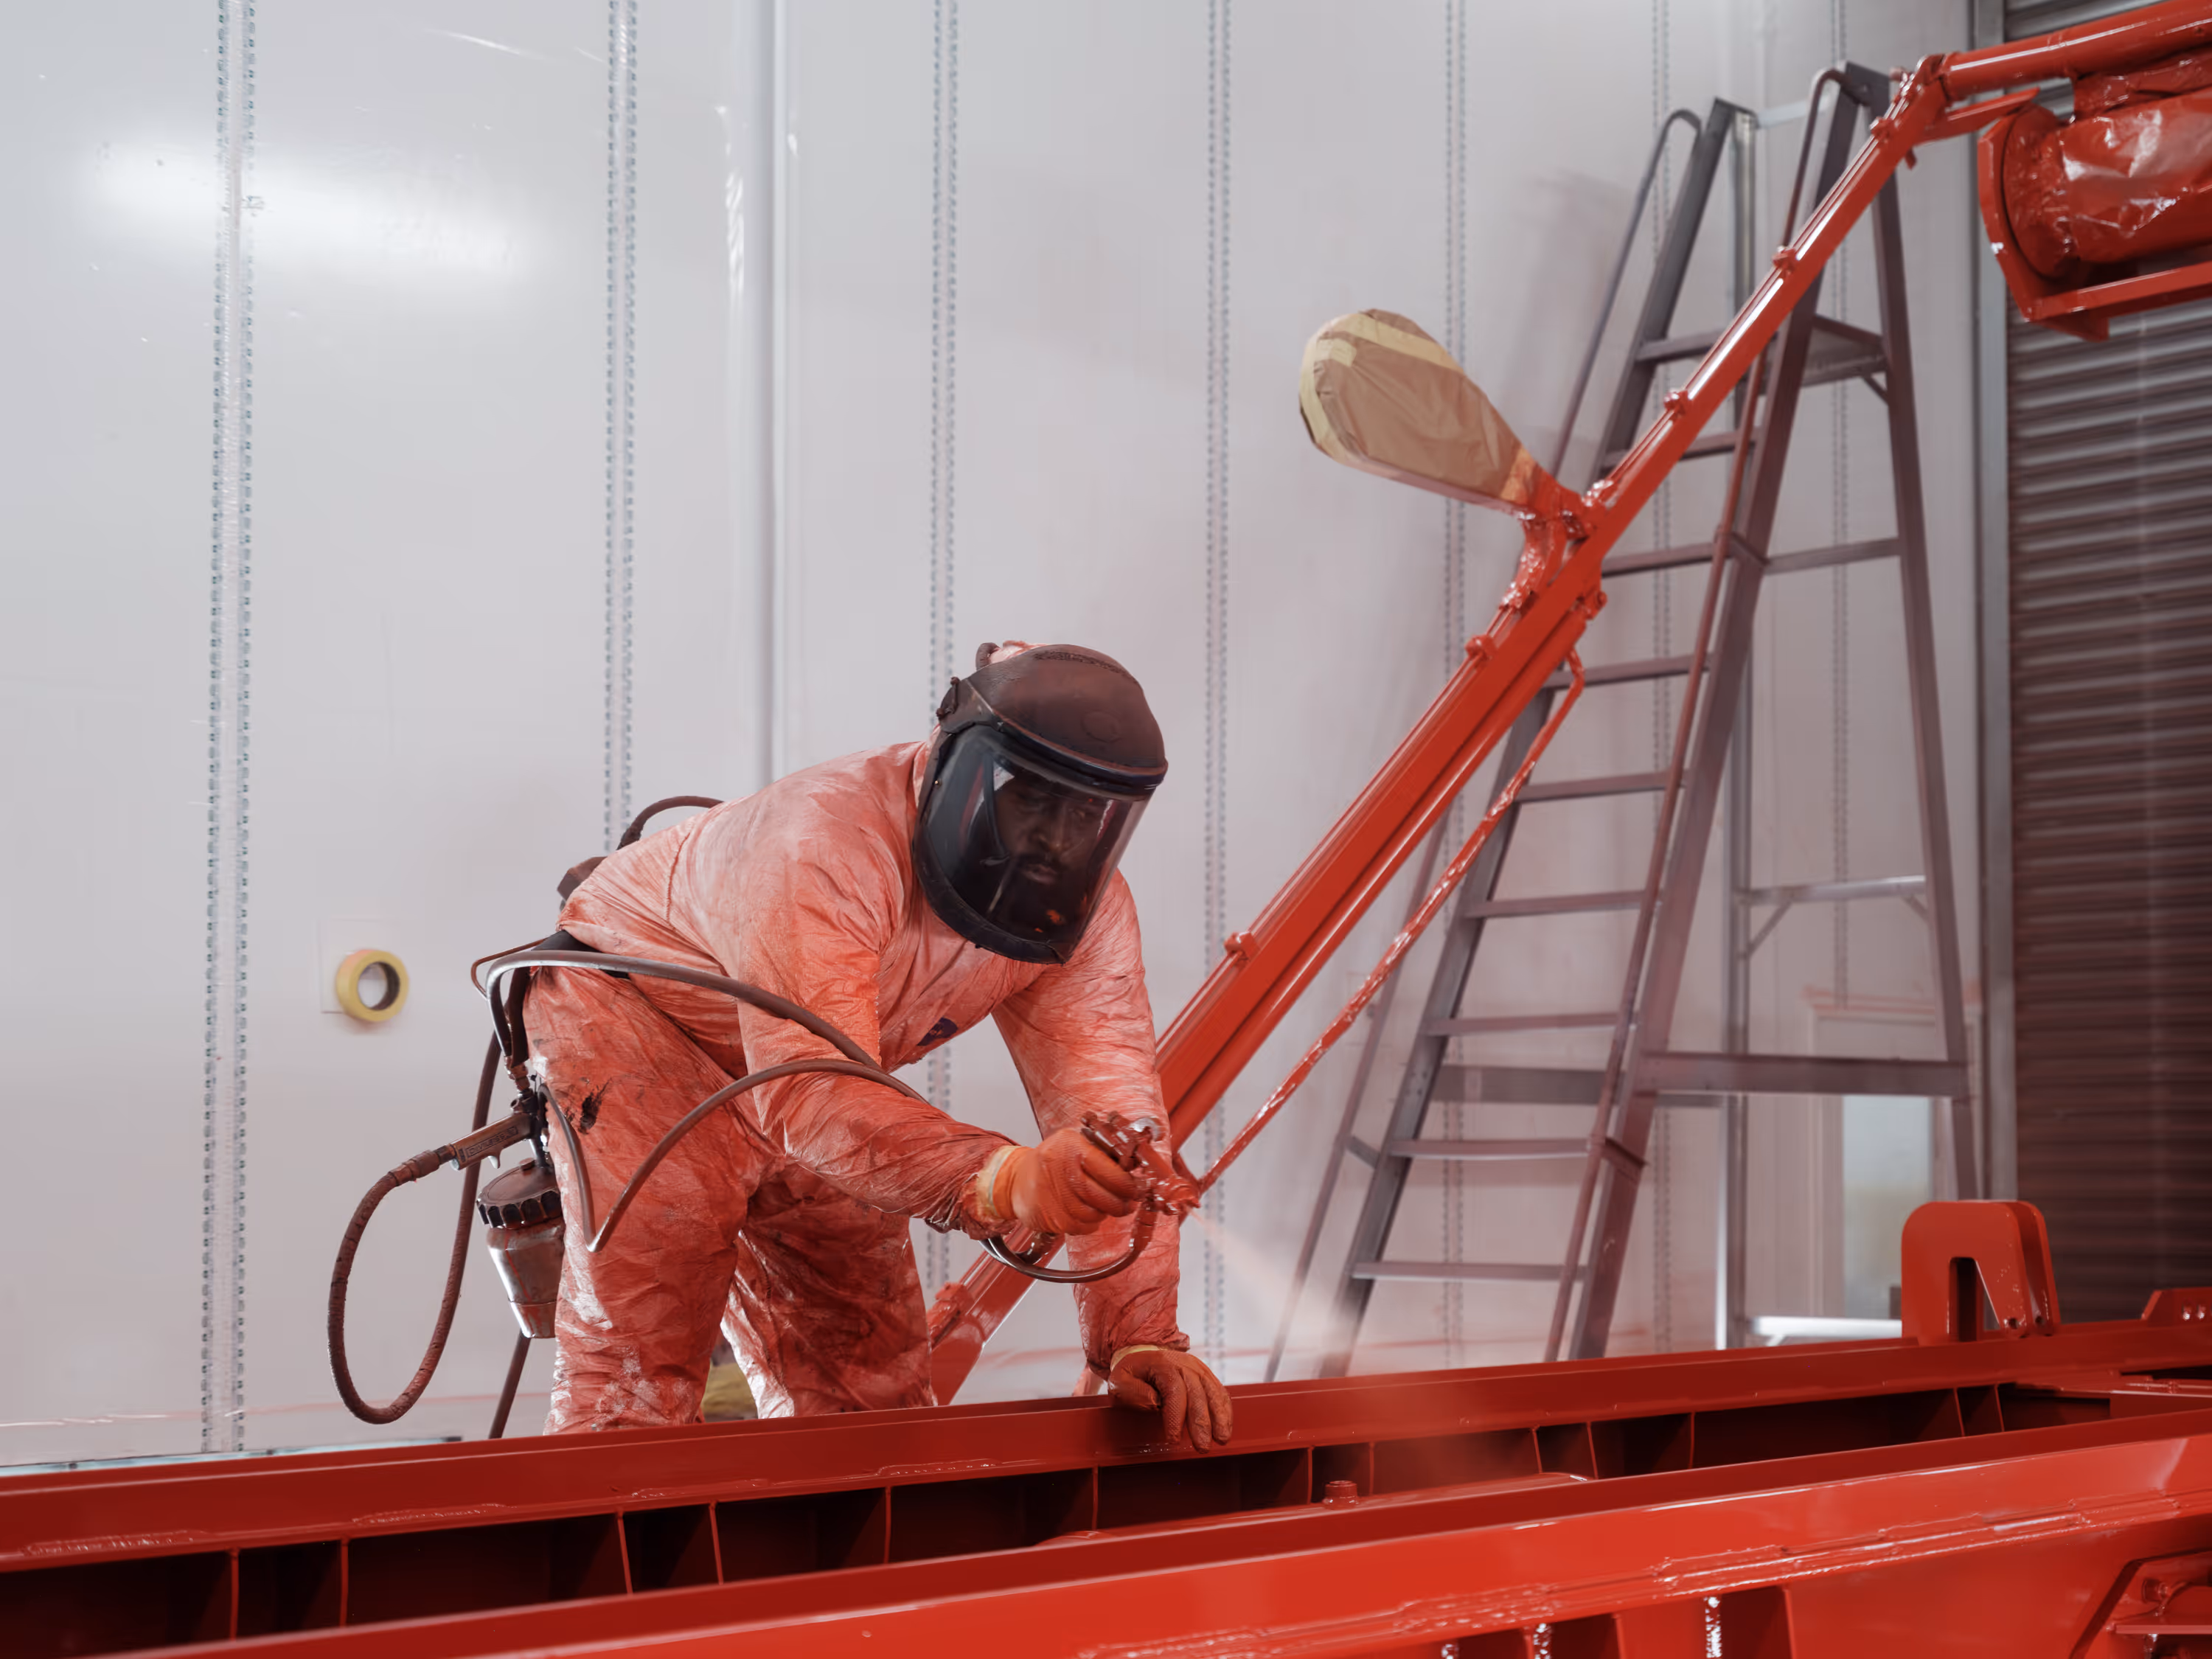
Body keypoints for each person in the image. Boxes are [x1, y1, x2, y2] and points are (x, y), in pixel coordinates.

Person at [524, 641, 1233, 1450]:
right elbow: (810, 1092)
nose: (1050, 843)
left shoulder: (1082, 916)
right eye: (1029, 800)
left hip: (827, 1072)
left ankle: (849, 1566)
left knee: (868, 1378)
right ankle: (618, 1564)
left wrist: (1137, 1335)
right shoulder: (825, 842)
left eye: (1083, 817)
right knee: (641, 1365)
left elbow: (1116, 1121)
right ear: (957, 765)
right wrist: (1005, 1178)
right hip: (642, 1025)